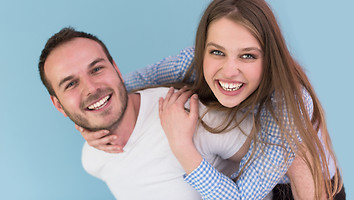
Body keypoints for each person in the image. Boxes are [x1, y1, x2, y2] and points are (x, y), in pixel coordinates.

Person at [80, 0, 345, 199]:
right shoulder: (194, 60)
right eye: (217, 52)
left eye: (248, 55)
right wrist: (95, 118)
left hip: (303, 186)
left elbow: (242, 198)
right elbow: (127, 83)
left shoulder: (288, 105)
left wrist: (182, 146)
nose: (229, 71)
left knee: (298, 154)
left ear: (269, 58)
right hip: (245, 173)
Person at [38, 27, 258, 200]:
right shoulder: (92, 159)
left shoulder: (189, 115)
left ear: (116, 68)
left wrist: (184, 148)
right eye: (71, 84)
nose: (91, 88)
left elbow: (275, 174)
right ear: (59, 105)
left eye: (96, 69)